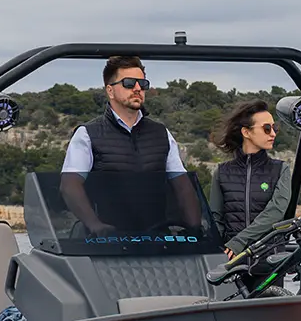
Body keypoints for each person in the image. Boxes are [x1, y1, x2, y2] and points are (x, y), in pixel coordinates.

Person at [60, 55, 199, 233]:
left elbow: (182, 186)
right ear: (110, 91)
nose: (137, 88)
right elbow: (69, 185)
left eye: (143, 84)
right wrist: (96, 226)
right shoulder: (87, 134)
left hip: (158, 242)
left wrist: (195, 228)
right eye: (129, 83)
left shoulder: (161, 133)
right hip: (108, 244)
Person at [209, 99, 291, 253]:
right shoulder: (221, 172)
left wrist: (238, 243)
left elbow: (275, 213)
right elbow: (216, 219)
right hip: (232, 262)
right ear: (246, 132)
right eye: (267, 128)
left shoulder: (281, 170)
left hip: (270, 261)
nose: (273, 133)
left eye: (274, 128)